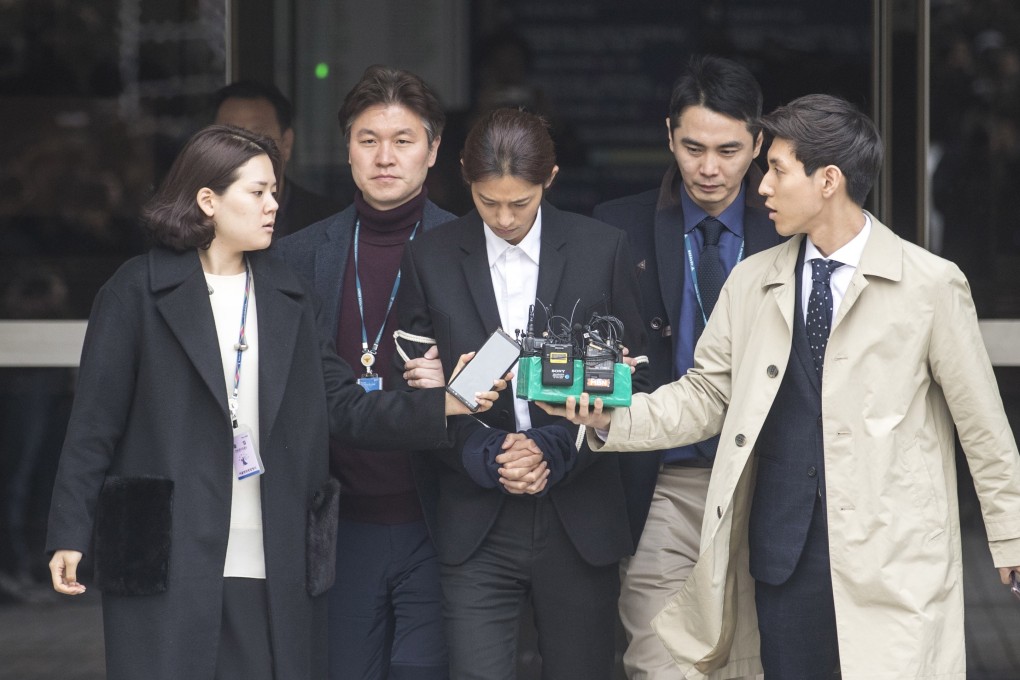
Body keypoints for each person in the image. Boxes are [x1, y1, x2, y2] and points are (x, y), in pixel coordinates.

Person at [543, 94, 1020, 679]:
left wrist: (1011, 535)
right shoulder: (751, 282)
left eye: (776, 169)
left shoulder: (930, 284)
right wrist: (610, 418)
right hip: (780, 554)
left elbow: (982, 425)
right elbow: (705, 395)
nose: (761, 186)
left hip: (890, 555)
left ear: (828, 181)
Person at [45, 124, 502, 680]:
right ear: (208, 200)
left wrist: (445, 404)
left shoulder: (289, 294)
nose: (273, 206)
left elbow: (344, 405)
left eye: (274, 191)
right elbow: (93, 425)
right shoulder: (136, 290)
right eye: (257, 192)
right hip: (163, 545)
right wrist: (69, 530)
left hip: (273, 544)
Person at [396, 107, 648, 680]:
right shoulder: (430, 256)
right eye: (489, 203)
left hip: (578, 511)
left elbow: (638, 381)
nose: (505, 218)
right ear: (464, 177)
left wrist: (555, 450)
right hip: (474, 511)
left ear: (551, 178)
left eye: (521, 202)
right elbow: (411, 391)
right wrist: (481, 452)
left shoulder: (601, 249)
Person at [591, 55, 783, 680]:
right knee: (659, 663)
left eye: (729, 150)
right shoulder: (617, 227)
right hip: (662, 485)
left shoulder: (789, 231)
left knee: (751, 665)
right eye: (693, 146)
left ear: (759, 143)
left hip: (763, 485)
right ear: (669, 134)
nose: (709, 168)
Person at [274, 64, 454, 680]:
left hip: (438, 518)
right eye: (367, 139)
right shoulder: (296, 256)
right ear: (346, 148)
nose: (385, 157)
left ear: (433, 150)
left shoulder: (470, 250)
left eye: (403, 141)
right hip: (338, 522)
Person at [213, 80, 344, 237]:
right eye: (230, 138)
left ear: (286, 144)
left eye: (258, 138)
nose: (244, 150)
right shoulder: (191, 222)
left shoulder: (331, 222)